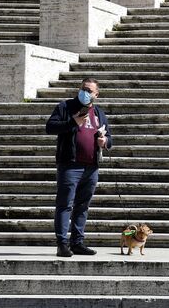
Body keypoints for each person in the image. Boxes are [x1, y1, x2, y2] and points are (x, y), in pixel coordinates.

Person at [46, 78, 112, 257]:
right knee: (65, 204)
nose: (86, 93)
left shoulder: (99, 113)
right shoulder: (65, 107)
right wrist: (72, 123)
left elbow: (110, 138)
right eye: (84, 89)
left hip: (91, 166)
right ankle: (62, 243)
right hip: (70, 165)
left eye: (90, 91)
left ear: (96, 95)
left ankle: (77, 242)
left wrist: (104, 141)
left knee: (82, 205)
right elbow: (50, 127)